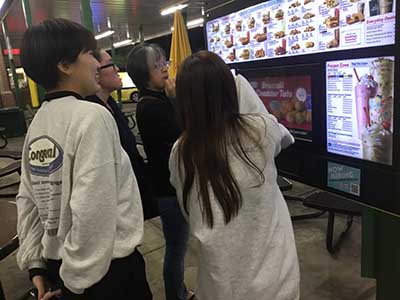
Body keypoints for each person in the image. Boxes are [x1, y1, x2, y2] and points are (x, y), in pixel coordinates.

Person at [16, 18, 152, 300]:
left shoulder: (39, 122)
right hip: (105, 272)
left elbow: (28, 199)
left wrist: (36, 265)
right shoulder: (92, 116)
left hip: (59, 265)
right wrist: (74, 284)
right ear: (64, 65)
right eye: (89, 54)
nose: (97, 64)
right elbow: (93, 208)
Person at [168, 51, 300, 300]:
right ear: (231, 90)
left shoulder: (180, 151)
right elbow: (285, 139)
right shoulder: (262, 130)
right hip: (277, 283)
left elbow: (188, 210)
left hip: (220, 285)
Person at [127, 43, 194, 300]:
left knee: (178, 245)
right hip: (168, 189)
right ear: (144, 77)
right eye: (156, 66)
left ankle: (177, 291)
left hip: (172, 185)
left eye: (163, 62)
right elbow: (185, 133)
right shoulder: (150, 106)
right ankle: (176, 294)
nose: (164, 68)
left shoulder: (158, 98)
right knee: (177, 247)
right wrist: (176, 99)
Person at [86, 49, 158, 220]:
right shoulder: (93, 114)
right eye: (110, 64)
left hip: (134, 192)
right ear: (96, 71)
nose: (117, 69)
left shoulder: (110, 104)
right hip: (118, 206)